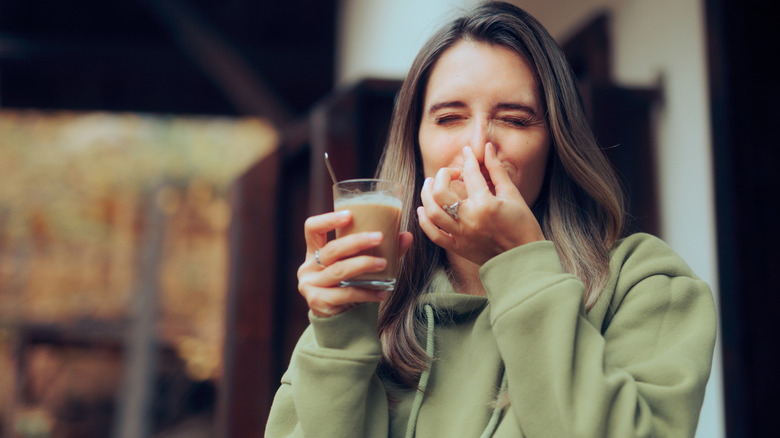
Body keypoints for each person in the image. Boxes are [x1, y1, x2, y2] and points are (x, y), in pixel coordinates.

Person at [265, 2, 717, 437]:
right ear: (415, 143)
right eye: (449, 117)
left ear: (556, 144)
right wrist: (340, 334)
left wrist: (520, 264)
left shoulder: (645, 284)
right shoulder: (370, 305)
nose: (478, 148)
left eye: (516, 120)